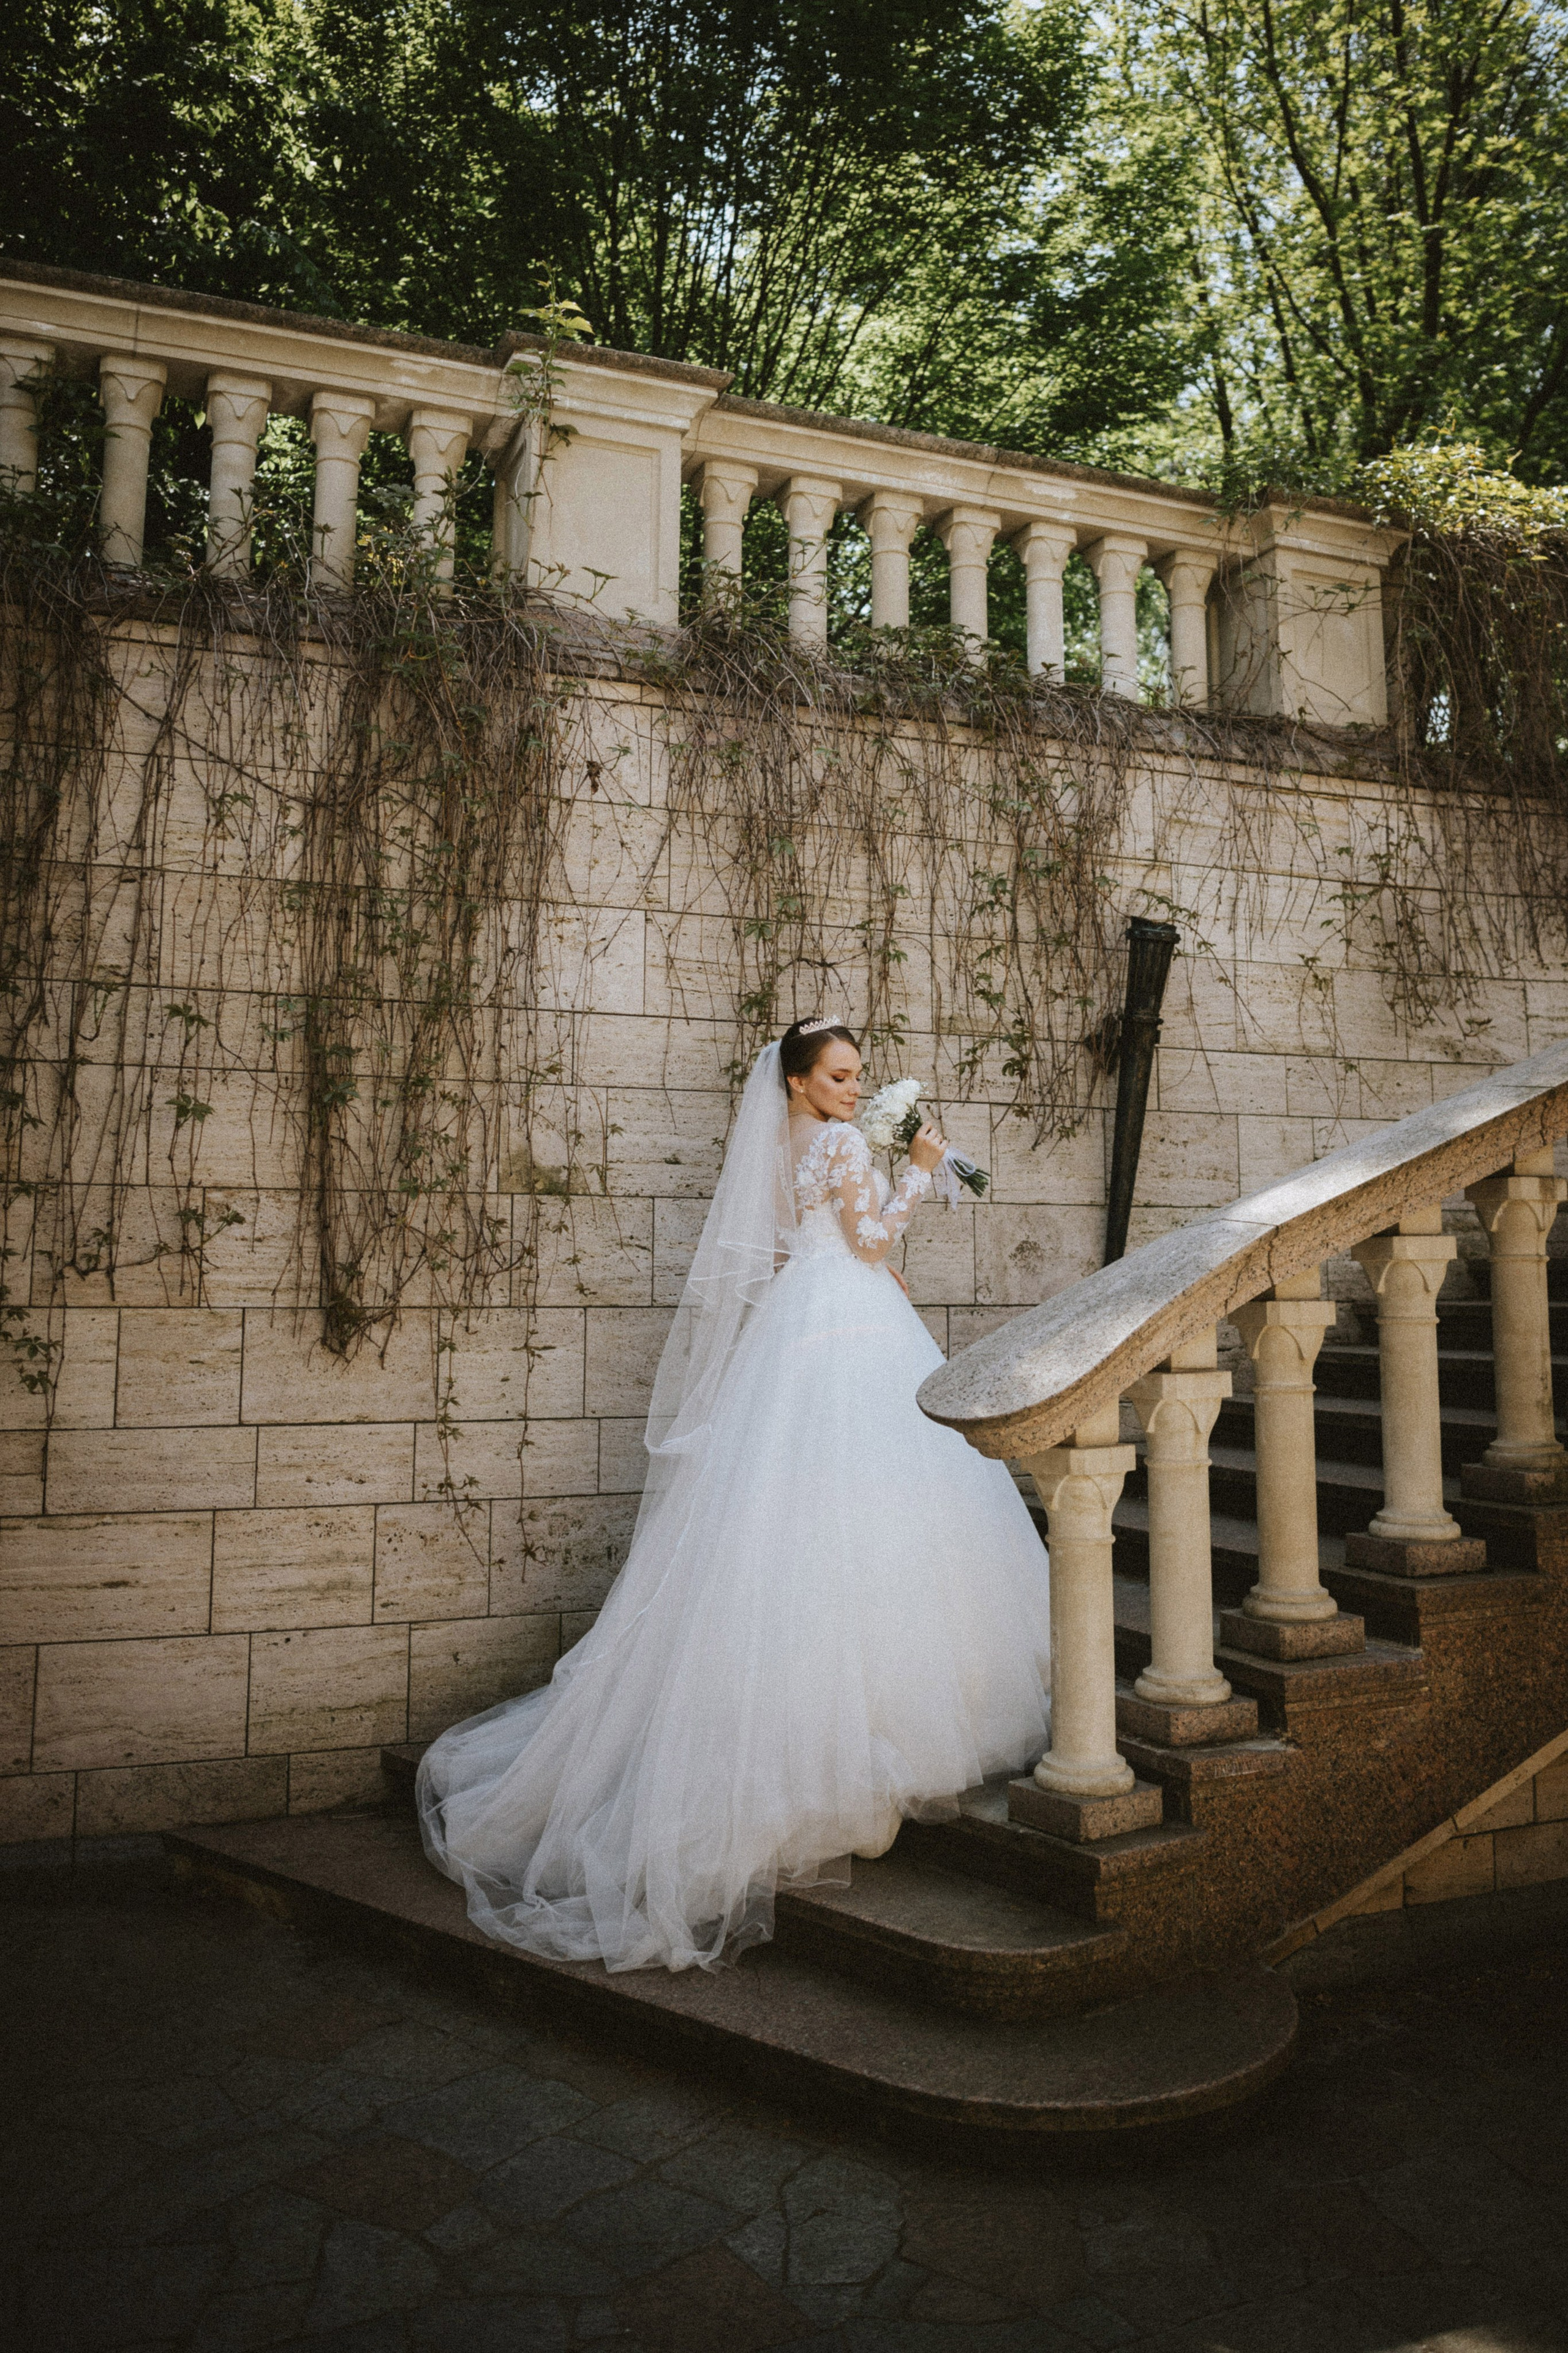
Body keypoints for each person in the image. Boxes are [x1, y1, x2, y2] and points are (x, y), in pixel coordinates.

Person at [417, 1020, 1052, 1973]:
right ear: (797, 1083)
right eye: (838, 1077)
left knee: (796, 1522)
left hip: (803, 1327)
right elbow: (870, 1242)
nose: (852, 1089)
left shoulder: (790, 1142)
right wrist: (919, 1168)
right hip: (852, 1330)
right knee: (875, 1511)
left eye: (858, 1078)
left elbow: (796, 1250)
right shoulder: (839, 1140)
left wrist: (860, 1242)